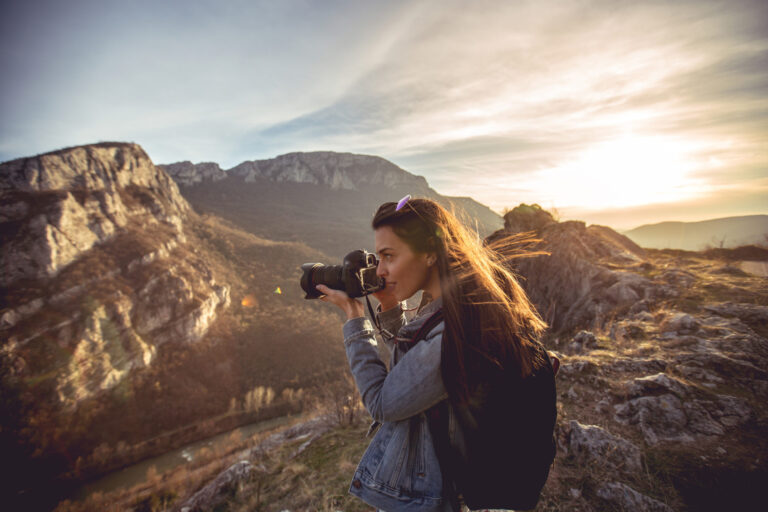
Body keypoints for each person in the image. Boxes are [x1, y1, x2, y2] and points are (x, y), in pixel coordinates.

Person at [315, 196, 550, 512]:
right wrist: (389, 306)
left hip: (448, 498)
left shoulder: (458, 332)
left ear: (428, 252)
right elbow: (414, 368)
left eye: (388, 256)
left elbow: (382, 402)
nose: (380, 270)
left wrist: (354, 316)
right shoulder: (469, 299)